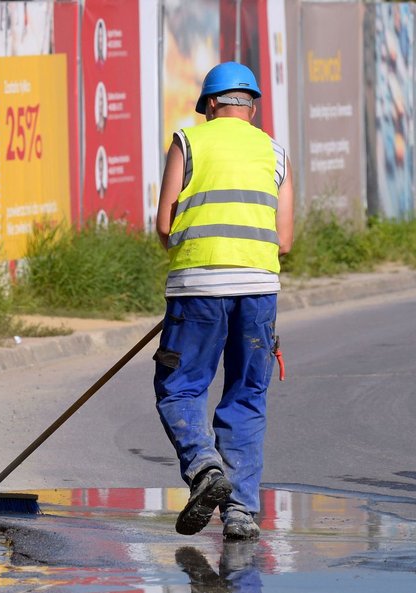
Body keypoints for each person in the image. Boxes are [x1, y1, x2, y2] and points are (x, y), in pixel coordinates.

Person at [153, 61, 294, 540]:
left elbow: (164, 225)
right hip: (257, 290)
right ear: (250, 108)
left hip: (197, 290)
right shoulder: (275, 152)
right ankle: (240, 512)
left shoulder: (189, 141)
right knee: (246, 395)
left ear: (210, 105)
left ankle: (204, 467)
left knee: (181, 386)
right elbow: (287, 239)